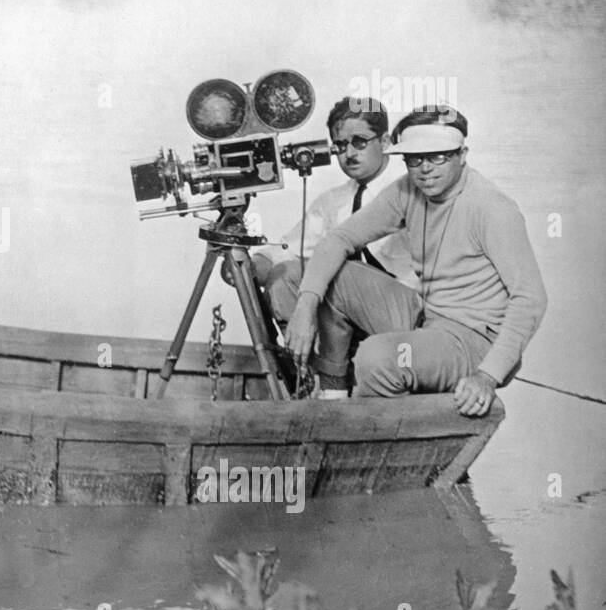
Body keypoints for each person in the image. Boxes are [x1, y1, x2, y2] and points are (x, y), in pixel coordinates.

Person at [283, 109, 546, 414]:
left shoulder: (491, 208)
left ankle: (383, 443)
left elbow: (531, 299)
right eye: (414, 159)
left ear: (462, 155)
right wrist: (306, 306)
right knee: (316, 275)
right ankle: (333, 398)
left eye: (438, 157)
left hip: (474, 341)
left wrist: (487, 376)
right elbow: (339, 239)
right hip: (425, 316)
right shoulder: (409, 188)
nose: (425, 170)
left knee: (375, 358)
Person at [231, 96, 414, 332]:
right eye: (340, 145)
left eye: (360, 142)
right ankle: (302, 364)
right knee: (285, 274)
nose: (349, 154)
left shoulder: (410, 188)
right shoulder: (332, 201)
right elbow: (290, 248)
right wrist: (251, 267)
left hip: (408, 310)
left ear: (386, 141)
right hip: (352, 317)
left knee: (342, 271)